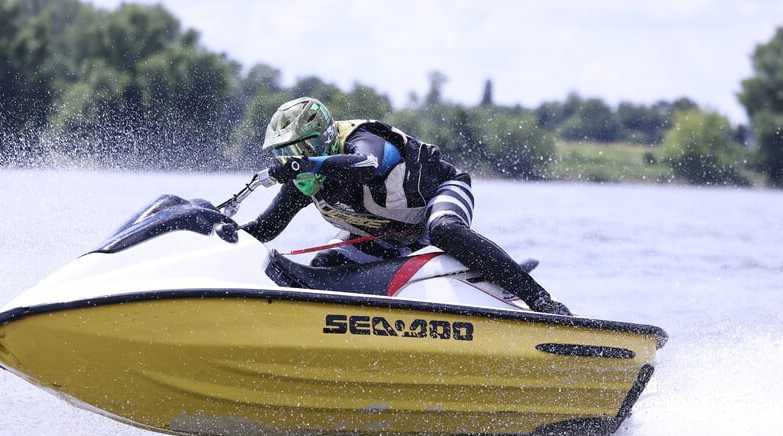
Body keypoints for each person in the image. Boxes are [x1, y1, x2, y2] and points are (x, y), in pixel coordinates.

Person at [239, 96, 571, 315]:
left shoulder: (361, 139)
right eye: (286, 153)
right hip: (391, 235)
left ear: (325, 136)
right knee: (323, 266)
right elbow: (265, 230)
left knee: (444, 230)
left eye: (305, 147)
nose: (296, 158)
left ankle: (543, 302)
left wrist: (308, 163)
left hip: (442, 193)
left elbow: (368, 164)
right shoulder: (304, 181)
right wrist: (222, 232)